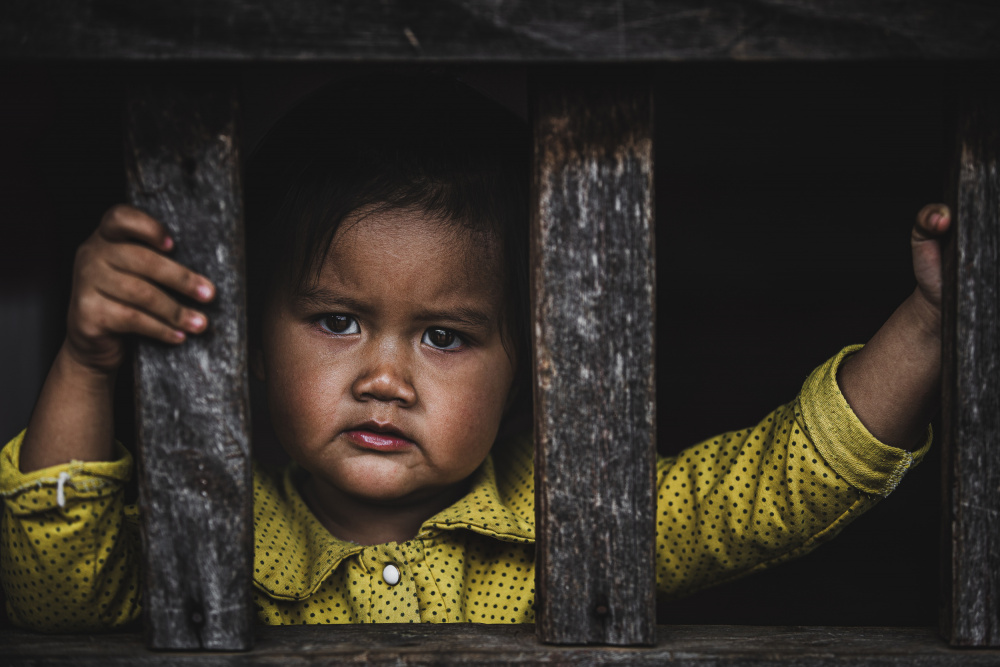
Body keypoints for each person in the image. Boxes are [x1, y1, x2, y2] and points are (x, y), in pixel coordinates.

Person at [0, 76, 947, 630]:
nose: (383, 377)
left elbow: (778, 482)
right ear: (247, 345)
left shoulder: (581, 519)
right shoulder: (216, 530)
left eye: (444, 336)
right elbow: (55, 584)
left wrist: (932, 319)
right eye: (336, 320)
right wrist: (88, 362)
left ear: (535, 369)